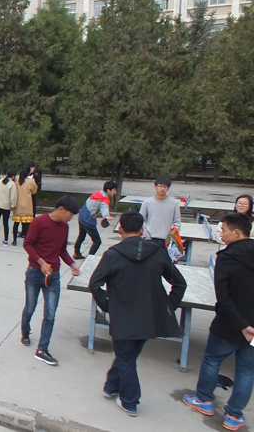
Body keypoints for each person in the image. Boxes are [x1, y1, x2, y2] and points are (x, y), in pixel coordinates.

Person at [89, 210, 187, 417]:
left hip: (123, 317)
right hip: (149, 317)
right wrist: (167, 307)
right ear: (142, 230)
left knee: (126, 358)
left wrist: (108, 306)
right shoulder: (157, 253)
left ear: (120, 229)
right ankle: (111, 387)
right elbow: (180, 283)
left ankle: (130, 401)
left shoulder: (112, 255)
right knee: (128, 356)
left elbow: (95, 284)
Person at [183, 213, 254, 431]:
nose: (220, 234)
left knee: (212, 360)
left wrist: (242, 326)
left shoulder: (226, 257)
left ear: (237, 232)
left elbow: (223, 296)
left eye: (223, 230)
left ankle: (204, 400)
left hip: (228, 325)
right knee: (246, 371)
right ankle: (234, 416)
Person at [20, 195, 81, 366]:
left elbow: (62, 250)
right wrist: (41, 262)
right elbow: (28, 244)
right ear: (61, 209)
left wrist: (72, 264)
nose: (71, 218)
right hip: (35, 273)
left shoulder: (64, 227)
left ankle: (42, 349)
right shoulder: (39, 222)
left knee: (50, 313)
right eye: (70, 214)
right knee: (30, 307)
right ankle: (25, 330)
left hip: (53, 275)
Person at [73, 181, 118, 259]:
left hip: (82, 216)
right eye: (114, 190)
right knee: (97, 241)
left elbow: (93, 204)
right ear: (108, 190)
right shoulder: (104, 200)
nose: (115, 192)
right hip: (88, 220)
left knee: (81, 236)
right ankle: (89, 258)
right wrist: (107, 217)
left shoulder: (98, 193)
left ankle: (76, 253)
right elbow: (104, 210)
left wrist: (96, 213)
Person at [139, 176, 181, 252]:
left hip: (166, 241)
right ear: (155, 187)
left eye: (165, 187)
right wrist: (146, 236)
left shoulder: (174, 203)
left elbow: (177, 223)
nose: (162, 189)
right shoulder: (147, 202)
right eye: (160, 186)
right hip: (150, 239)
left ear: (168, 188)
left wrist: (171, 237)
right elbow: (140, 221)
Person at [12, 166, 38, 246]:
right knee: (26, 225)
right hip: (27, 205)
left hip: (18, 205)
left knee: (16, 224)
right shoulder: (30, 181)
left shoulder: (16, 181)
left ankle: (14, 240)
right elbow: (34, 191)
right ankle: (26, 241)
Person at [0, 170, 17, 246]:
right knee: (5, 223)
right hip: (6, 206)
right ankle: (5, 240)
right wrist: (13, 205)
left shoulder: (0, 181)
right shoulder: (12, 184)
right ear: (13, 176)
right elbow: (13, 197)